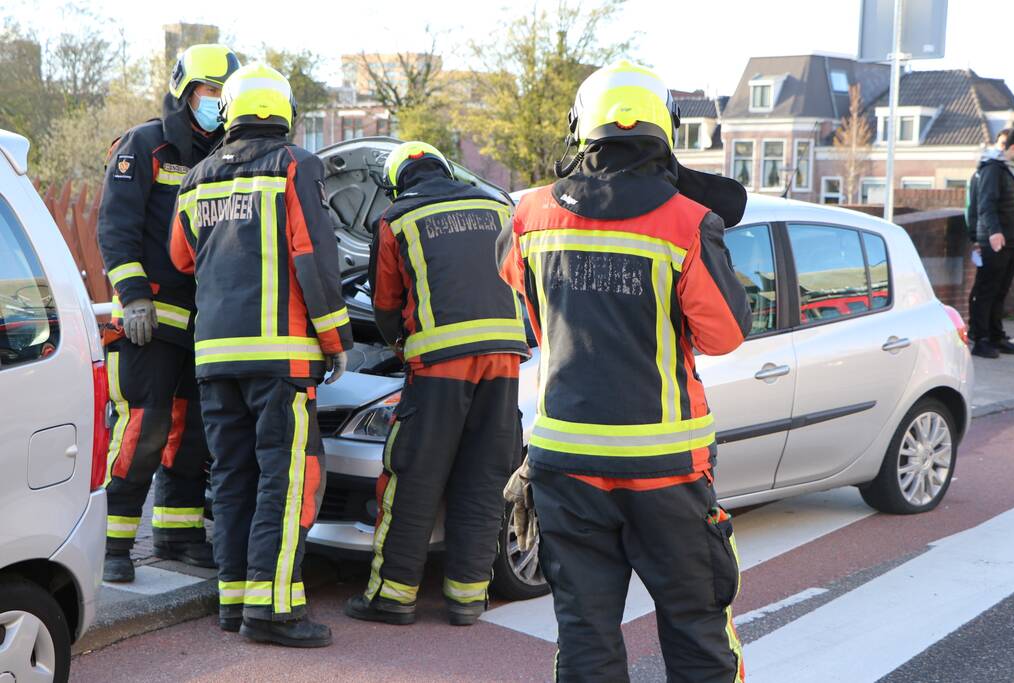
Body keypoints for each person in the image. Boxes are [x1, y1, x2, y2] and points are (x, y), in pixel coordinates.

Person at [498, 60, 752, 682]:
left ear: (581, 128)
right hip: (666, 470)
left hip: (565, 464)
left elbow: (531, 310)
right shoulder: (687, 222)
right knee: (696, 633)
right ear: (666, 129)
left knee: (585, 636)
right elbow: (724, 335)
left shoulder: (528, 214)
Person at [169, 62, 352, 647]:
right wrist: (336, 340)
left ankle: (235, 603)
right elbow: (314, 256)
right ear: (285, 113)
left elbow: (180, 258)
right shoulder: (295, 165)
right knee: (287, 480)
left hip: (215, 358)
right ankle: (273, 612)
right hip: (281, 359)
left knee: (232, 479)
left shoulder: (196, 178)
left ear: (231, 113)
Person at [344, 141, 530, 627]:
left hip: (440, 367)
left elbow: (385, 304)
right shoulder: (498, 206)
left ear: (395, 184)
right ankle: (467, 598)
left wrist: (401, 345)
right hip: (505, 361)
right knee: (484, 478)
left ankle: (392, 597)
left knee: (414, 477)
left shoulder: (397, 218)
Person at [97, 43, 239, 582]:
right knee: (144, 428)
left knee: (194, 435)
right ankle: (112, 543)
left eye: (224, 93)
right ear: (185, 92)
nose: (217, 101)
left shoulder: (228, 154)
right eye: (209, 91)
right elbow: (116, 226)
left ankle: (178, 534)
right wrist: (132, 295)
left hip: (205, 324)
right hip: (149, 319)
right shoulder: (145, 145)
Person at [970, 127, 1014, 357]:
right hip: (995, 240)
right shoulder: (993, 168)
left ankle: (996, 335)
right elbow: (986, 203)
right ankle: (980, 339)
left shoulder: (1013, 169)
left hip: (1010, 239)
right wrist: (994, 232)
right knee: (987, 289)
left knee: (1001, 290)